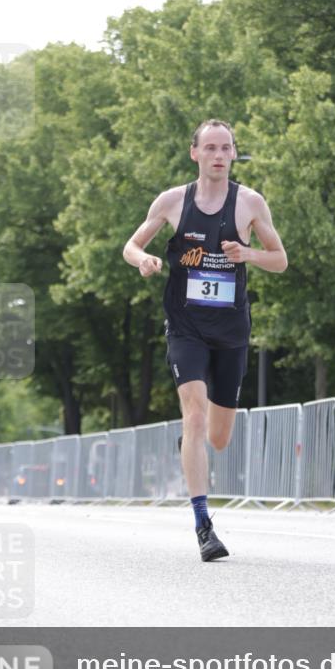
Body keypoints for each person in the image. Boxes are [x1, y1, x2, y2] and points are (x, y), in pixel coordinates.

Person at [122, 119, 288, 561]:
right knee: (193, 417)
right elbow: (131, 245)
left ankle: (192, 443)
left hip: (231, 331)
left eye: (226, 148)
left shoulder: (250, 203)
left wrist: (248, 253)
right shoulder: (173, 201)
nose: (218, 155)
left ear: (234, 154)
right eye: (210, 147)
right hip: (186, 326)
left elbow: (280, 260)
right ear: (194, 153)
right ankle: (203, 526)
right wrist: (145, 260)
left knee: (218, 438)